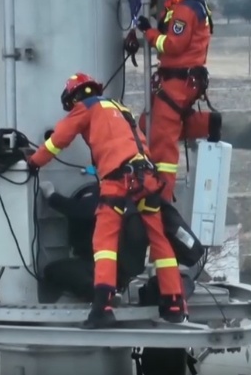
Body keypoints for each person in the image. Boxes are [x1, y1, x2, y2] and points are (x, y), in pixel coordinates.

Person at [26, 72, 186, 329]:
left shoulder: (86, 107)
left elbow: (58, 140)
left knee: (104, 243)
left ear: (75, 96)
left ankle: (102, 307)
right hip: (147, 178)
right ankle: (175, 304)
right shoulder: (121, 108)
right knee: (159, 240)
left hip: (119, 179)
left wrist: (33, 162)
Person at [124, 0, 222, 203]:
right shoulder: (186, 4)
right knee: (145, 127)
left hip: (178, 82)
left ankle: (160, 198)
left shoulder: (187, 10)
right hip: (174, 80)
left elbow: (173, 45)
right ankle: (205, 123)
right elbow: (169, 18)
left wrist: (149, 32)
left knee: (163, 141)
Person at [40, 181, 148, 302]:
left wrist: (51, 196)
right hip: (123, 270)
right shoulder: (129, 199)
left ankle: (101, 296)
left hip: (103, 266)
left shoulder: (104, 193)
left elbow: (80, 209)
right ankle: (107, 293)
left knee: (52, 271)